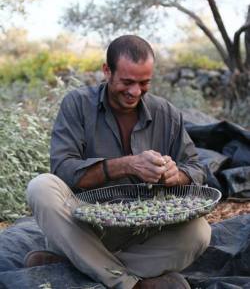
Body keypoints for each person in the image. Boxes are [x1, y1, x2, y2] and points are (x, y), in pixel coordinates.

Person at [25, 35, 211, 289]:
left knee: (200, 233)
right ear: (106, 71)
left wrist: (175, 175)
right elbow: (63, 168)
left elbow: (197, 167)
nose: (135, 92)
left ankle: (78, 265)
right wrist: (127, 165)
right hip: (84, 226)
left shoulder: (165, 113)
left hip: (144, 231)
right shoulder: (77, 104)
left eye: (144, 83)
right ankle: (129, 284)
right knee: (41, 187)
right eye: (127, 82)